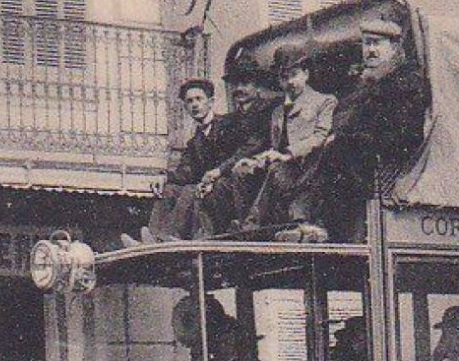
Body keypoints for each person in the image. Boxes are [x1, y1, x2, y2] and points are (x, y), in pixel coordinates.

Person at [281, 9, 430, 243]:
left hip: (384, 167)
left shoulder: (406, 83)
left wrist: (349, 140)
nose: (370, 50)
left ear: (394, 47)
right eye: (366, 44)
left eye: (376, 44)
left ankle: (310, 220)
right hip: (357, 165)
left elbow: (406, 136)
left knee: (334, 152)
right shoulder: (364, 85)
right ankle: (303, 219)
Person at [239, 44, 336, 231]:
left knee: (277, 169)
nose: (290, 82)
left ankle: (251, 225)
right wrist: (258, 159)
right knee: (242, 171)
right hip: (282, 168)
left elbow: (320, 136)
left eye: (294, 75)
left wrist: (288, 155)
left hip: (306, 168)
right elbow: (276, 145)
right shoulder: (277, 112)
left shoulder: (324, 101)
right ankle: (247, 223)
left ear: (306, 74)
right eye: (284, 77)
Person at [195, 51, 279, 236]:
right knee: (206, 191)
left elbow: (252, 146)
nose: (239, 88)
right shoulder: (231, 119)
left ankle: (241, 232)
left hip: (258, 172)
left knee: (220, 188)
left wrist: (219, 171)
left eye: (245, 83)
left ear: (257, 86)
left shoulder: (266, 111)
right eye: (236, 83)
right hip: (234, 172)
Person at [144, 78, 227, 242]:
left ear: (210, 102)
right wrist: (165, 177)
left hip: (222, 185)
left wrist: (215, 178)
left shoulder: (227, 125)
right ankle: (151, 238)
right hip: (204, 187)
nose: (194, 105)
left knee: (189, 190)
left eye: (199, 99)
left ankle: (170, 236)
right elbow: (185, 173)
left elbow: (233, 158)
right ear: (185, 107)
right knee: (168, 190)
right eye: (189, 101)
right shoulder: (194, 141)